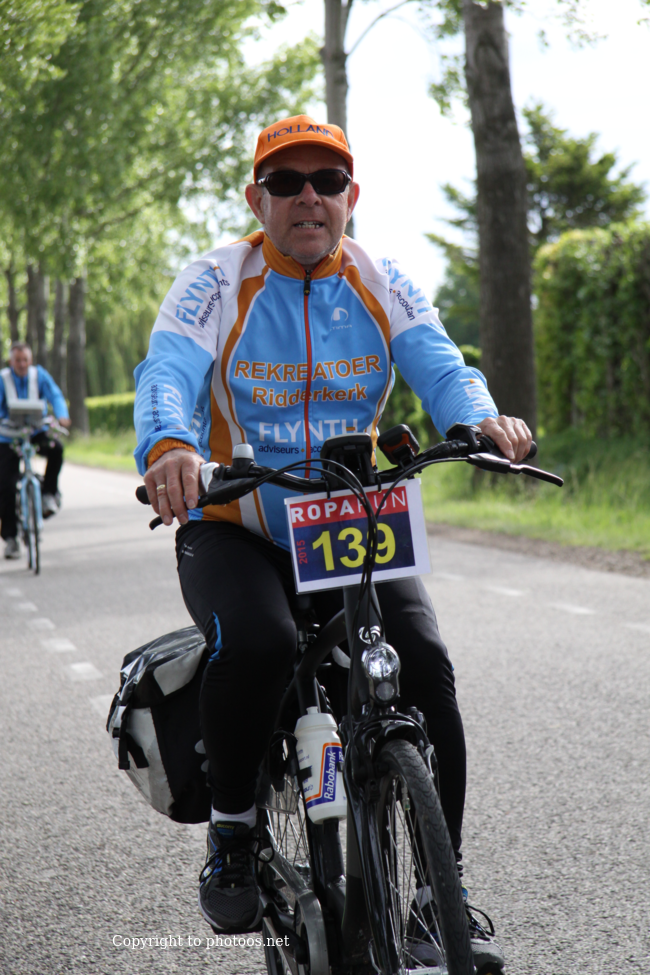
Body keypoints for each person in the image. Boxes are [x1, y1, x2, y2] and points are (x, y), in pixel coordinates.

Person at [134, 115, 531, 967]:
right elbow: (167, 370)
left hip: (350, 517)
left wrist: (478, 418)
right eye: (286, 182)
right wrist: (169, 446)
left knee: (423, 662)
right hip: (237, 522)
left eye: (328, 181)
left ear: (353, 197)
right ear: (258, 200)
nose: (308, 196)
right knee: (259, 642)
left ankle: (438, 896)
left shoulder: (380, 279)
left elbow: (441, 363)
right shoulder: (215, 280)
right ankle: (233, 833)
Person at [0, 342, 71, 558]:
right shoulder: (3, 379)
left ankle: (49, 493)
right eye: (17, 360)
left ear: (30, 361)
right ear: (11, 361)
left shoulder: (39, 375)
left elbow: (55, 395)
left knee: (56, 449)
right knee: (5, 486)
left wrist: (62, 415)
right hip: (9, 436)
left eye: (25, 360)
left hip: (36, 431)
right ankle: (11, 539)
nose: (22, 364)